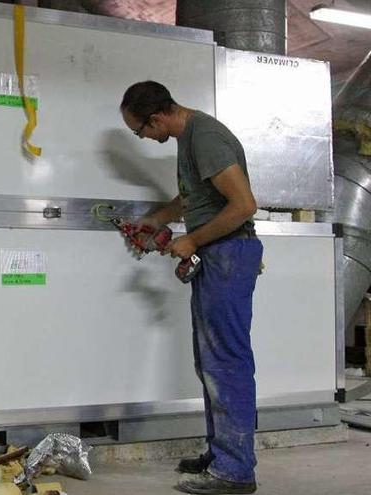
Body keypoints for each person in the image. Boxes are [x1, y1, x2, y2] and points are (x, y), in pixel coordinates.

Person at [120, 81, 263, 494]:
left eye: (140, 131)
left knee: (226, 363)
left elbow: (244, 205)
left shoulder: (207, 137)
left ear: (157, 117)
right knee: (210, 362)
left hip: (229, 255)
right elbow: (195, 196)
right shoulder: (189, 138)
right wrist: (161, 217)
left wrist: (194, 240)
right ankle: (223, 453)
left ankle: (235, 471)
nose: (144, 138)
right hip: (219, 257)